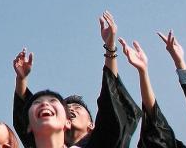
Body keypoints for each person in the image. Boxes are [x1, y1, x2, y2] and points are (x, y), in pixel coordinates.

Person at [14, 11, 140, 148]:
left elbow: (111, 103)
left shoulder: (102, 143)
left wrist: (110, 48)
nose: (70, 109)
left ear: (92, 125)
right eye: (66, 108)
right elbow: (27, 119)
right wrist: (21, 80)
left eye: (76, 107)